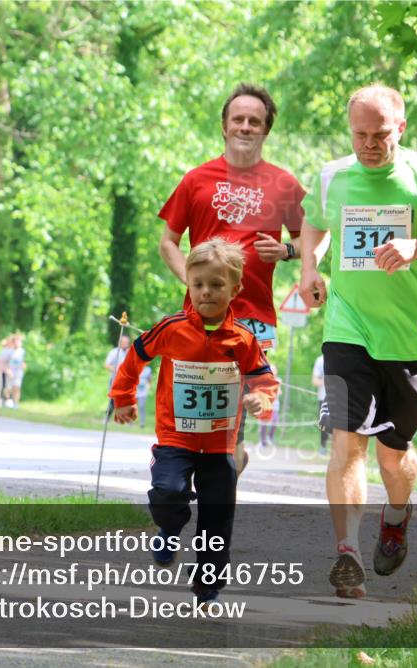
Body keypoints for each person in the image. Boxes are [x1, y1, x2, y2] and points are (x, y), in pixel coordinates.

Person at [298, 84, 417, 598]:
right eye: (359, 134)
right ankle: (347, 555)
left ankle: (396, 515)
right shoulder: (333, 177)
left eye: (379, 135)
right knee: (346, 442)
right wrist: (309, 267)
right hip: (346, 330)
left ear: (401, 128)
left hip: (408, 339)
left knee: (391, 455)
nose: (369, 144)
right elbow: (312, 224)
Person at [110, 238, 279, 607]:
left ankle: (208, 584)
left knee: (218, 516)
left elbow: (265, 379)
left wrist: (261, 398)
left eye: (217, 285)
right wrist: (122, 398)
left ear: (235, 289)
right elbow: (135, 357)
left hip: (219, 445)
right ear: (188, 283)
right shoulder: (171, 329)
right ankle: (169, 527)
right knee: (168, 492)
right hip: (175, 438)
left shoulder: (244, 339)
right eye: (198, 284)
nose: (206, 292)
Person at [158, 83, 306, 474]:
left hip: (252, 318)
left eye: (254, 121)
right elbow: (168, 244)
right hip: (199, 317)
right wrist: (191, 282)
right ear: (224, 126)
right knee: (195, 414)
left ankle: (226, 472)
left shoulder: (283, 184)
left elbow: (312, 238)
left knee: (229, 425)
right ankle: (192, 474)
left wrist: (289, 251)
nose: (245, 126)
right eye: (237, 119)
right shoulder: (196, 180)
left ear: (265, 130)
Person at [312, 353, 332, 455]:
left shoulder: (343, 357)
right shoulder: (320, 360)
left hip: (340, 397)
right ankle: (323, 446)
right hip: (323, 398)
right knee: (324, 424)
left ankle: (337, 449)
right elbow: (315, 381)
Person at [258, 364, 281, 449]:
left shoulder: (278, 380)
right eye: (271, 369)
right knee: (263, 423)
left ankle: (270, 437)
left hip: (274, 405)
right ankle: (262, 442)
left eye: (274, 370)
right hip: (266, 405)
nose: (273, 371)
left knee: (275, 421)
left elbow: (278, 393)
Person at [6, 333, 26, 408]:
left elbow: (24, 361)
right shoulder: (9, 351)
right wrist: (8, 370)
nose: (18, 343)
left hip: (18, 372)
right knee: (9, 388)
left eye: (19, 341)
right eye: (16, 341)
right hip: (10, 371)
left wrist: (23, 365)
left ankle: (16, 403)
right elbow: (6, 362)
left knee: (16, 387)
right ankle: (7, 401)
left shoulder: (22, 351)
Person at [0, 335, 13, 407]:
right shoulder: (4, 351)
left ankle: (8, 400)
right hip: (4, 371)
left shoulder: (13, 351)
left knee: (9, 386)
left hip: (11, 372)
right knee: (3, 386)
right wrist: (3, 369)